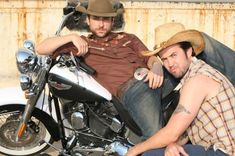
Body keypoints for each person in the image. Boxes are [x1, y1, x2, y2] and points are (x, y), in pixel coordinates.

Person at [36, 0, 166, 139]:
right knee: (157, 138)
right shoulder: (82, 43)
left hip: (154, 78)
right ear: (88, 20)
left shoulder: (129, 38)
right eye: (96, 19)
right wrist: (71, 36)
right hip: (133, 90)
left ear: (112, 20)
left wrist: (157, 66)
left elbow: (148, 57)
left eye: (106, 19)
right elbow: (41, 48)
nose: (101, 24)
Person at [126, 23, 235, 156]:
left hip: (224, 152)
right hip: (214, 149)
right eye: (164, 59)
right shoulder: (193, 76)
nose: (170, 64)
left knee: (150, 155)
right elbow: (184, 133)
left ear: (189, 52)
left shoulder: (198, 79)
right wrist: (173, 145)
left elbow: (171, 133)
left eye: (173, 55)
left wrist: (135, 150)